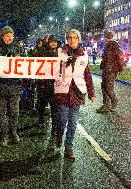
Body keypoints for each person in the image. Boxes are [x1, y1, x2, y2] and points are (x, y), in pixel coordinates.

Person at [53, 29, 96, 160]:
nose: (72, 40)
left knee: (73, 122)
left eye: (75, 38)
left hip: (77, 92)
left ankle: (69, 147)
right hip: (62, 92)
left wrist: (91, 93)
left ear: (78, 39)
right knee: (62, 120)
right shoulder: (59, 52)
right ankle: (59, 136)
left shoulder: (83, 54)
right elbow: (49, 69)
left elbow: (87, 74)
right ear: (67, 39)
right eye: (70, 37)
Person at [0, 26, 22, 147]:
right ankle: (4, 134)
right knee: (1, 113)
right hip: (0, 87)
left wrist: (20, 60)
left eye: (11, 35)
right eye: (7, 35)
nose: (9, 38)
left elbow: (26, 64)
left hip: (15, 86)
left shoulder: (19, 48)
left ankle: (13, 131)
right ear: (2, 36)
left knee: (14, 112)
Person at [96, 30, 124, 113]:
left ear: (107, 37)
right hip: (106, 70)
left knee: (108, 88)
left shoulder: (114, 45)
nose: (104, 38)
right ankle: (106, 105)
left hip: (111, 71)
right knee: (104, 87)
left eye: (105, 36)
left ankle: (114, 101)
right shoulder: (108, 45)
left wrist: (117, 68)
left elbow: (120, 57)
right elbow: (106, 58)